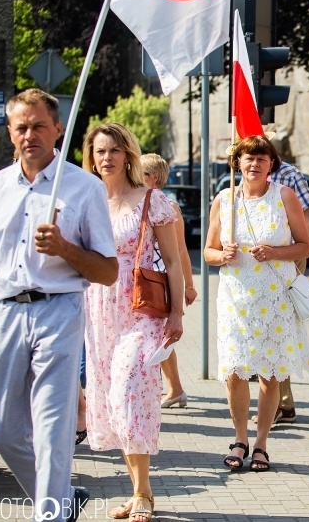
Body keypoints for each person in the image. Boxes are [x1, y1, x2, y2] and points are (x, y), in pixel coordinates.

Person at [0, 89, 119, 522]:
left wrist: (64, 248)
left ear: (58, 129)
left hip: (58, 311)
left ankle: (52, 516)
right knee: (5, 433)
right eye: (21, 127)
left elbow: (107, 271)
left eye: (39, 125)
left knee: (51, 429)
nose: (30, 135)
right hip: (3, 313)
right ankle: (63, 497)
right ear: (10, 133)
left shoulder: (84, 188)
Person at [82, 123, 185, 522]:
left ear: (128, 154)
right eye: (99, 151)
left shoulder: (150, 200)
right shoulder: (86, 201)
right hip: (97, 309)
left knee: (128, 389)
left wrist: (176, 312)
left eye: (113, 151)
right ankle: (139, 492)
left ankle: (143, 493)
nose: (106, 158)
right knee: (111, 399)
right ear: (91, 157)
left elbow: (174, 261)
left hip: (140, 308)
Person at [204, 135, 309, 472]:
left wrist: (275, 252)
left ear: (271, 165)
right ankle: (240, 438)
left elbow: (305, 246)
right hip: (235, 300)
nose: (254, 164)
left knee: (269, 373)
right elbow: (208, 252)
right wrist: (222, 255)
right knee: (235, 372)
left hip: (274, 299)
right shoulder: (223, 200)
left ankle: (262, 443)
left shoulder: (284, 196)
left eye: (261, 159)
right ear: (236, 163)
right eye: (248, 158)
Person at [268, 155, 309, 424]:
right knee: (267, 331)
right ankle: (283, 402)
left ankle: (280, 403)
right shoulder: (240, 175)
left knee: (279, 328)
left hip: (289, 258)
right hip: (253, 265)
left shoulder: (289, 175)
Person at [140, 153, 198, 408]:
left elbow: (181, 250)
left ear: (154, 178)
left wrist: (189, 285)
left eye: (139, 173)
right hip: (142, 279)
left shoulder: (168, 207)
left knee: (157, 337)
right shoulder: (134, 201)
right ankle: (175, 388)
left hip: (159, 281)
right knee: (157, 337)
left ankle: (172, 388)